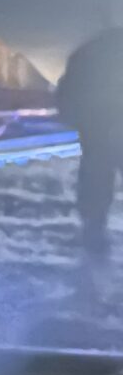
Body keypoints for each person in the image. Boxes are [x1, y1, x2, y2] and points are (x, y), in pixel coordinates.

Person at [55, 21, 123, 258]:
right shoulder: (90, 52)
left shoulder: (87, 52)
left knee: (96, 182)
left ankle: (93, 235)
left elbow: (65, 94)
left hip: (96, 130)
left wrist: (79, 122)